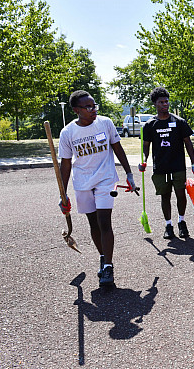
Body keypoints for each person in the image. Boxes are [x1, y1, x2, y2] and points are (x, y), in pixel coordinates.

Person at [59, 90, 136, 287]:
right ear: (77, 110)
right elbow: (66, 164)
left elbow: (118, 148)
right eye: (88, 107)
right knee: (93, 224)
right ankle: (103, 256)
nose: (93, 110)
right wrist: (63, 193)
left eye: (95, 106)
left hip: (105, 179)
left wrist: (129, 175)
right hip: (82, 182)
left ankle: (108, 267)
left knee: (104, 222)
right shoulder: (68, 133)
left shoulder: (105, 123)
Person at [139, 87, 194, 240]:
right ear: (155, 104)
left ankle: (181, 222)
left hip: (178, 166)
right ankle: (168, 224)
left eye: (166, 101)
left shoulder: (179, 122)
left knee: (180, 194)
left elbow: (188, 142)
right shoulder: (150, 125)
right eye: (161, 102)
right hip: (160, 167)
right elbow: (146, 146)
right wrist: (144, 160)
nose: (165, 104)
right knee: (165, 196)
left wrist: (193, 163)